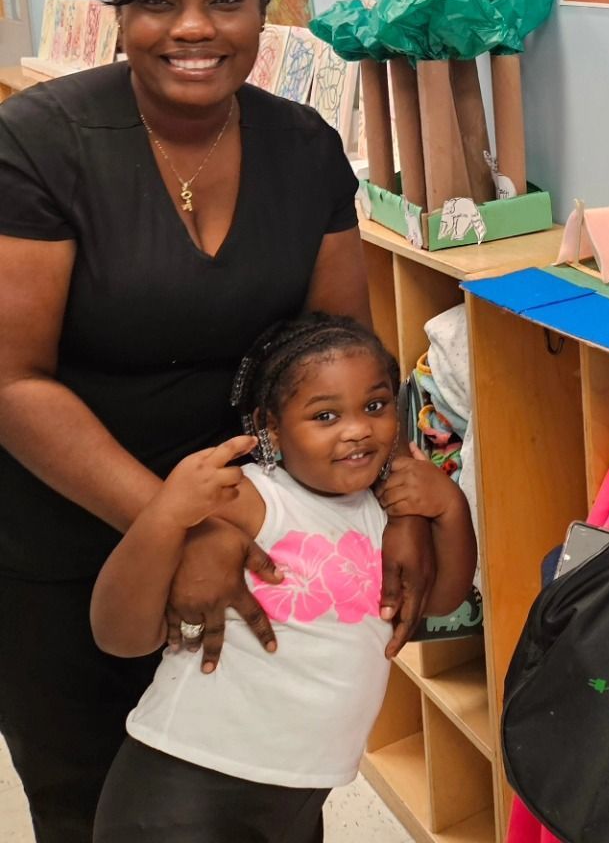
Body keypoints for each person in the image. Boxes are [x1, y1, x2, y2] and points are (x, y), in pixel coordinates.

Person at [0, 0, 434, 842]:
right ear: (122, 11)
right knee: (84, 803)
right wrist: (175, 526)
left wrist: (400, 499)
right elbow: (14, 382)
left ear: (263, 9)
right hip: (71, 537)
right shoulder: (43, 141)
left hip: (267, 539)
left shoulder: (303, 148)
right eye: (159, 0)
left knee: (259, 797)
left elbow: (342, 357)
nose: (193, 28)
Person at [90, 314, 477, 842]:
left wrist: (450, 508)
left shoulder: (389, 509)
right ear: (270, 428)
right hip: (183, 789)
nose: (358, 428)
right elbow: (118, 635)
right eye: (324, 415)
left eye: (376, 405)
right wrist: (164, 515)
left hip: (299, 799)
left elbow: (444, 601)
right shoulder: (248, 499)